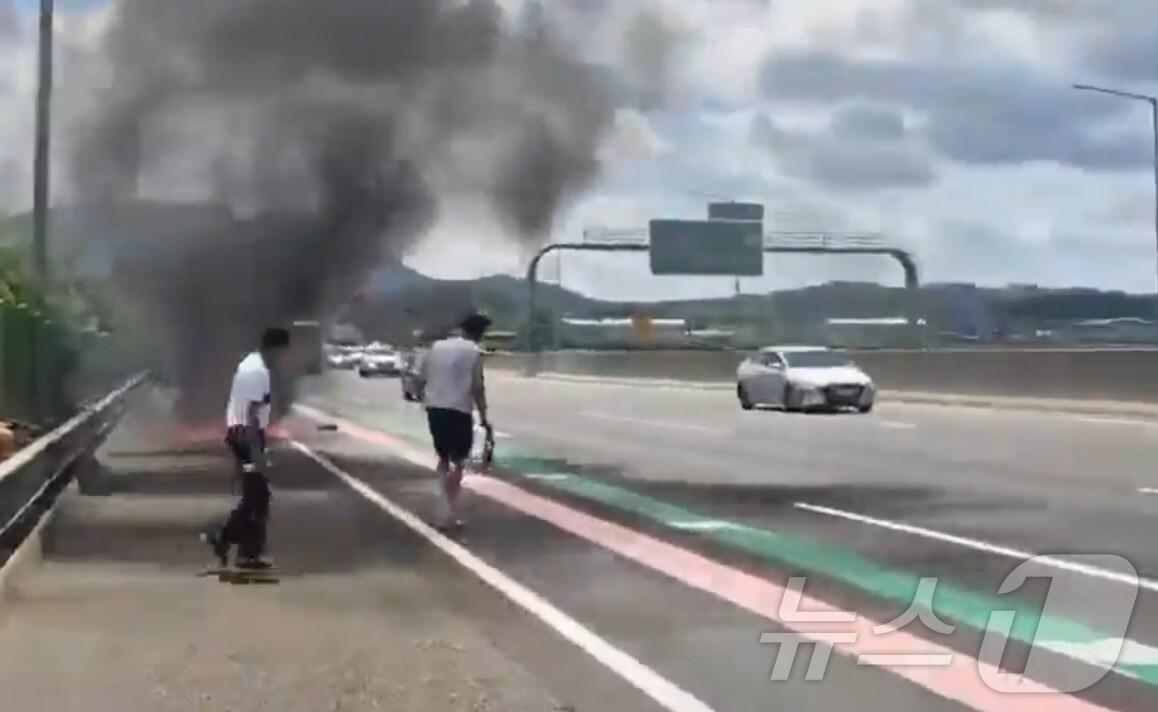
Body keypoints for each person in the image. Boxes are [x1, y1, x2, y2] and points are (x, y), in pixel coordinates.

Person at [202, 327, 291, 569]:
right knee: (257, 494)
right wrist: (256, 452)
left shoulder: (251, 364)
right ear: (275, 349)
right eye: (282, 353)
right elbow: (252, 414)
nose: (283, 358)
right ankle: (227, 539)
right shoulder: (257, 372)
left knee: (257, 495)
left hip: (242, 433)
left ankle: (243, 549)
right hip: (245, 435)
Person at [421, 313, 491, 531]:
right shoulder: (474, 352)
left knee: (443, 458)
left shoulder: (437, 346)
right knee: (458, 461)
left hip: (435, 407)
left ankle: (444, 509)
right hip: (459, 409)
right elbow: (477, 387)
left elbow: (423, 376)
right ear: (479, 333)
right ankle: (448, 512)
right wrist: (484, 415)